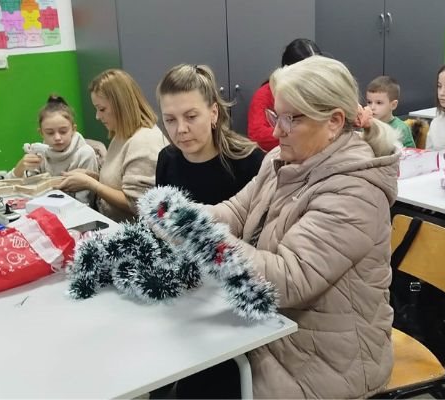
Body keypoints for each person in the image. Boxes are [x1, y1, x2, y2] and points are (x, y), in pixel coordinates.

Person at [173, 56, 399, 399]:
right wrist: (184, 217)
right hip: (279, 328)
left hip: (327, 359)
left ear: (334, 122)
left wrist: (202, 237)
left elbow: (290, 278)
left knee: (201, 382)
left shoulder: (355, 190)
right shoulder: (280, 159)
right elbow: (236, 211)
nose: (276, 131)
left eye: (290, 119)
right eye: (275, 116)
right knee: (192, 372)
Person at [57, 69, 167, 222]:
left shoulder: (145, 142)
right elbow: (120, 182)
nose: (97, 116)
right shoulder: (121, 134)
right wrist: (94, 177)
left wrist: (91, 184)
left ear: (121, 105)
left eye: (102, 109)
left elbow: (137, 204)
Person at [155, 64, 264, 205]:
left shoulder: (250, 162)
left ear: (214, 113)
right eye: (170, 120)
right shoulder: (166, 160)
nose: (181, 129)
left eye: (191, 116)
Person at [7, 94, 98, 204]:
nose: (57, 138)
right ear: (41, 133)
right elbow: (10, 188)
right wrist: (21, 167)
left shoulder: (85, 154)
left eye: (63, 131)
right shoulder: (39, 154)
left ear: (73, 129)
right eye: (50, 133)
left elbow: (85, 201)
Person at [247, 38, 322, 151]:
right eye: (307, 72)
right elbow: (257, 136)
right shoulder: (266, 93)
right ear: (288, 69)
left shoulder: (323, 90)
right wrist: (300, 134)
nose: (313, 78)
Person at [366, 75, 416, 148]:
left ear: (393, 105)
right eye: (369, 102)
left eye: (379, 103)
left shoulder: (401, 128)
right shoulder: (367, 124)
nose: (372, 107)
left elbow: (411, 152)